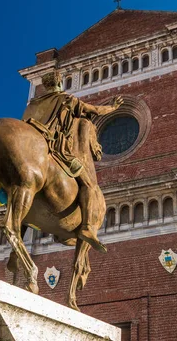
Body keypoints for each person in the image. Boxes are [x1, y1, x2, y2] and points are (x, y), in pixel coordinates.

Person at [22, 72, 123, 252]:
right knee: (90, 185)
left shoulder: (33, 104)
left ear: (44, 85)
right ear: (60, 82)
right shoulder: (66, 99)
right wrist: (113, 108)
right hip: (58, 150)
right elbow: (95, 110)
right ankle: (87, 226)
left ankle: (18, 239)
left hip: (31, 151)